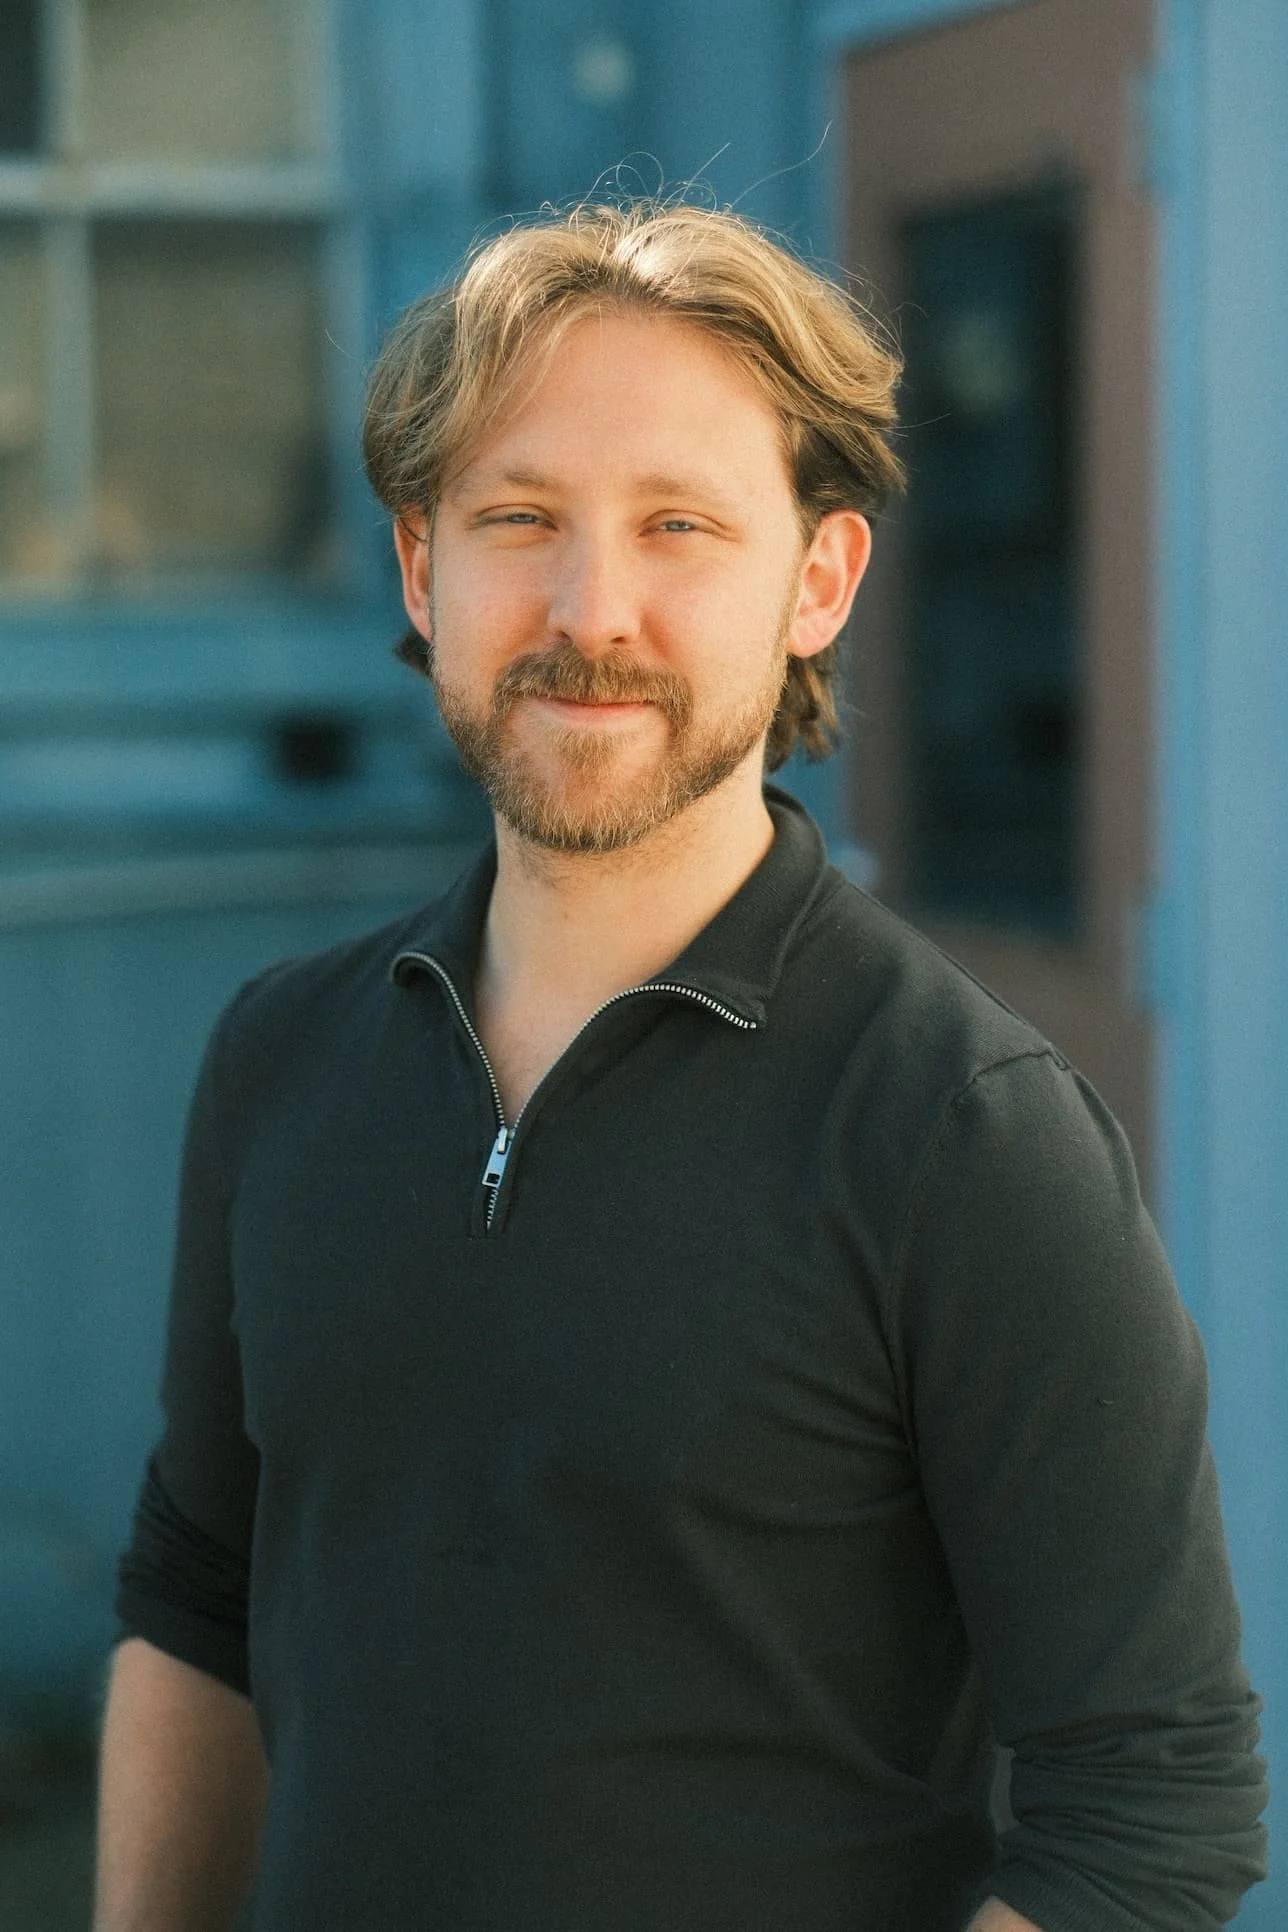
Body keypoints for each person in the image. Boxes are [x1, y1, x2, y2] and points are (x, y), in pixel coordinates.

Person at [96, 201, 1266, 1932]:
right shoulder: (280, 1057)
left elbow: (1150, 1812)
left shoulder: (966, 1138)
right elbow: (200, 1601)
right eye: (518, 518)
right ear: (420, 567)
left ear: (818, 581)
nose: (594, 609)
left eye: (679, 526)